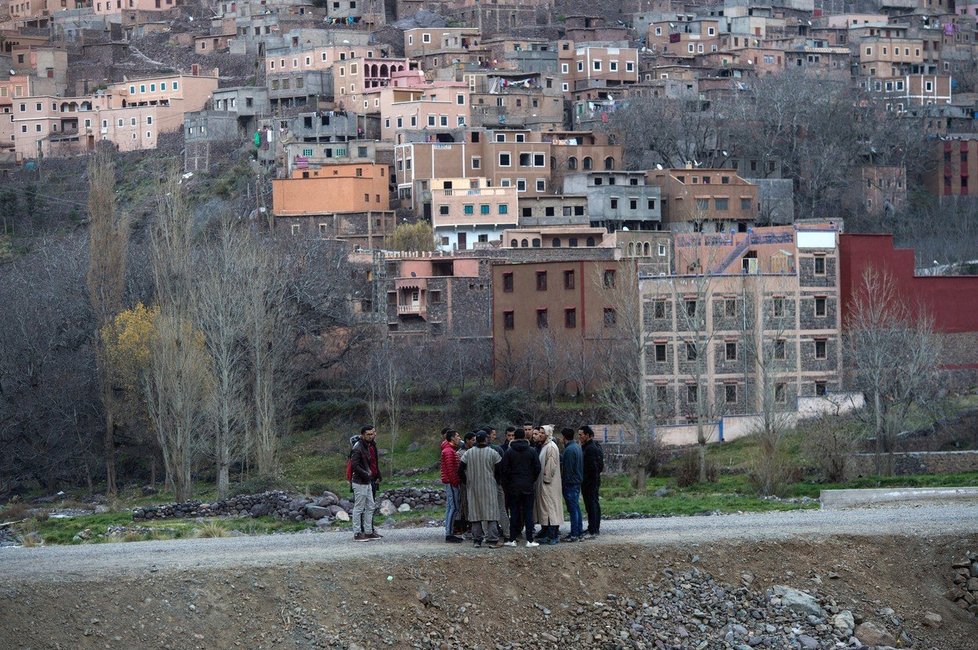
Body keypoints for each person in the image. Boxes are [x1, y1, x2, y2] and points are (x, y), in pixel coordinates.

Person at [459, 431, 503, 548]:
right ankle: (493, 539)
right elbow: (499, 469)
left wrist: (466, 481)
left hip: (473, 487)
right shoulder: (492, 453)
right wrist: (497, 481)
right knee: (492, 514)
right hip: (489, 487)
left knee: (475, 514)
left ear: (476, 440)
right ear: (486, 439)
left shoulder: (468, 453)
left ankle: (477, 541)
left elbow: (460, 469)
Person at [499, 428, 541, 547]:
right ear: (524, 437)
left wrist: (508, 483)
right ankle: (530, 540)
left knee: (514, 513)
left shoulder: (509, 452)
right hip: (528, 486)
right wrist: (531, 479)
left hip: (513, 487)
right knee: (528, 513)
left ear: (515, 437)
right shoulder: (532, 451)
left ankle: (512, 539)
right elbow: (537, 467)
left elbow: (504, 470)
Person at [350, 425, 382, 541]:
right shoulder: (358, 448)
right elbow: (354, 465)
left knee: (370, 506)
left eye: (371, 434)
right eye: (368, 434)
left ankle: (368, 531)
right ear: (363, 435)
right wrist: (366, 473)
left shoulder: (369, 445)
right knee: (359, 507)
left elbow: (373, 462)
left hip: (367, 481)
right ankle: (357, 533)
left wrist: (374, 474)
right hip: (359, 481)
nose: (370, 436)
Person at [533, 426, 563, 545]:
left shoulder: (550, 447)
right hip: (545, 484)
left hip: (549, 485)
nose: (540, 434)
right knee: (546, 509)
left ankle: (552, 536)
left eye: (542, 433)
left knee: (551, 509)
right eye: (539, 432)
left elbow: (551, 465)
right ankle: (547, 534)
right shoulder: (545, 446)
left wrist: (546, 479)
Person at [579, 425, 605, 539]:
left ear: (588, 435)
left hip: (590, 482)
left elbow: (594, 467)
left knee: (592, 505)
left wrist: (590, 481)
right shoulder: (591, 447)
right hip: (591, 481)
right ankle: (592, 527)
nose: (579, 437)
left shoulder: (590, 449)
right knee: (592, 505)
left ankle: (593, 529)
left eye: (581, 434)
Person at [485, 427, 510, 542]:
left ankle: (488, 534)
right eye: (493, 434)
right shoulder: (498, 450)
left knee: (486, 511)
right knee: (501, 509)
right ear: (488, 436)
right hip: (497, 483)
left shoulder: (474, 451)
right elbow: (502, 468)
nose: (495, 436)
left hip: (484, 485)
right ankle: (507, 533)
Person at [560, 427, 583, 542]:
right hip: (577, 481)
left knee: (573, 509)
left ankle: (574, 534)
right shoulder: (577, 447)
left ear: (564, 437)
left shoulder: (569, 450)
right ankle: (578, 532)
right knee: (576, 508)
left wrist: (564, 483)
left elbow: (567, 470)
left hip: (570, 483)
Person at [440, 429, 464, 543]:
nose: (459, 438)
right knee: (453, 507)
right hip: (451, 483)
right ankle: (449, 534)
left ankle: (449, 532)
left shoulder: (448, 450)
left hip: (450, 482)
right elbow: (451, 470)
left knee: (451, 507)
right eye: (457, 436)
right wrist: (455, 482)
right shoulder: (449, 451)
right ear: (452, 438)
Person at [455, 431, 476, 537]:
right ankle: (468, 526)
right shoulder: (460, 453)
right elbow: (460, 470)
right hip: (466, 483)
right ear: (467, 440)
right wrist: (465, 480)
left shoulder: (474, 451)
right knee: (466, 504)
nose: (474, 442)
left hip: (473, 482)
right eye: (473, 440)